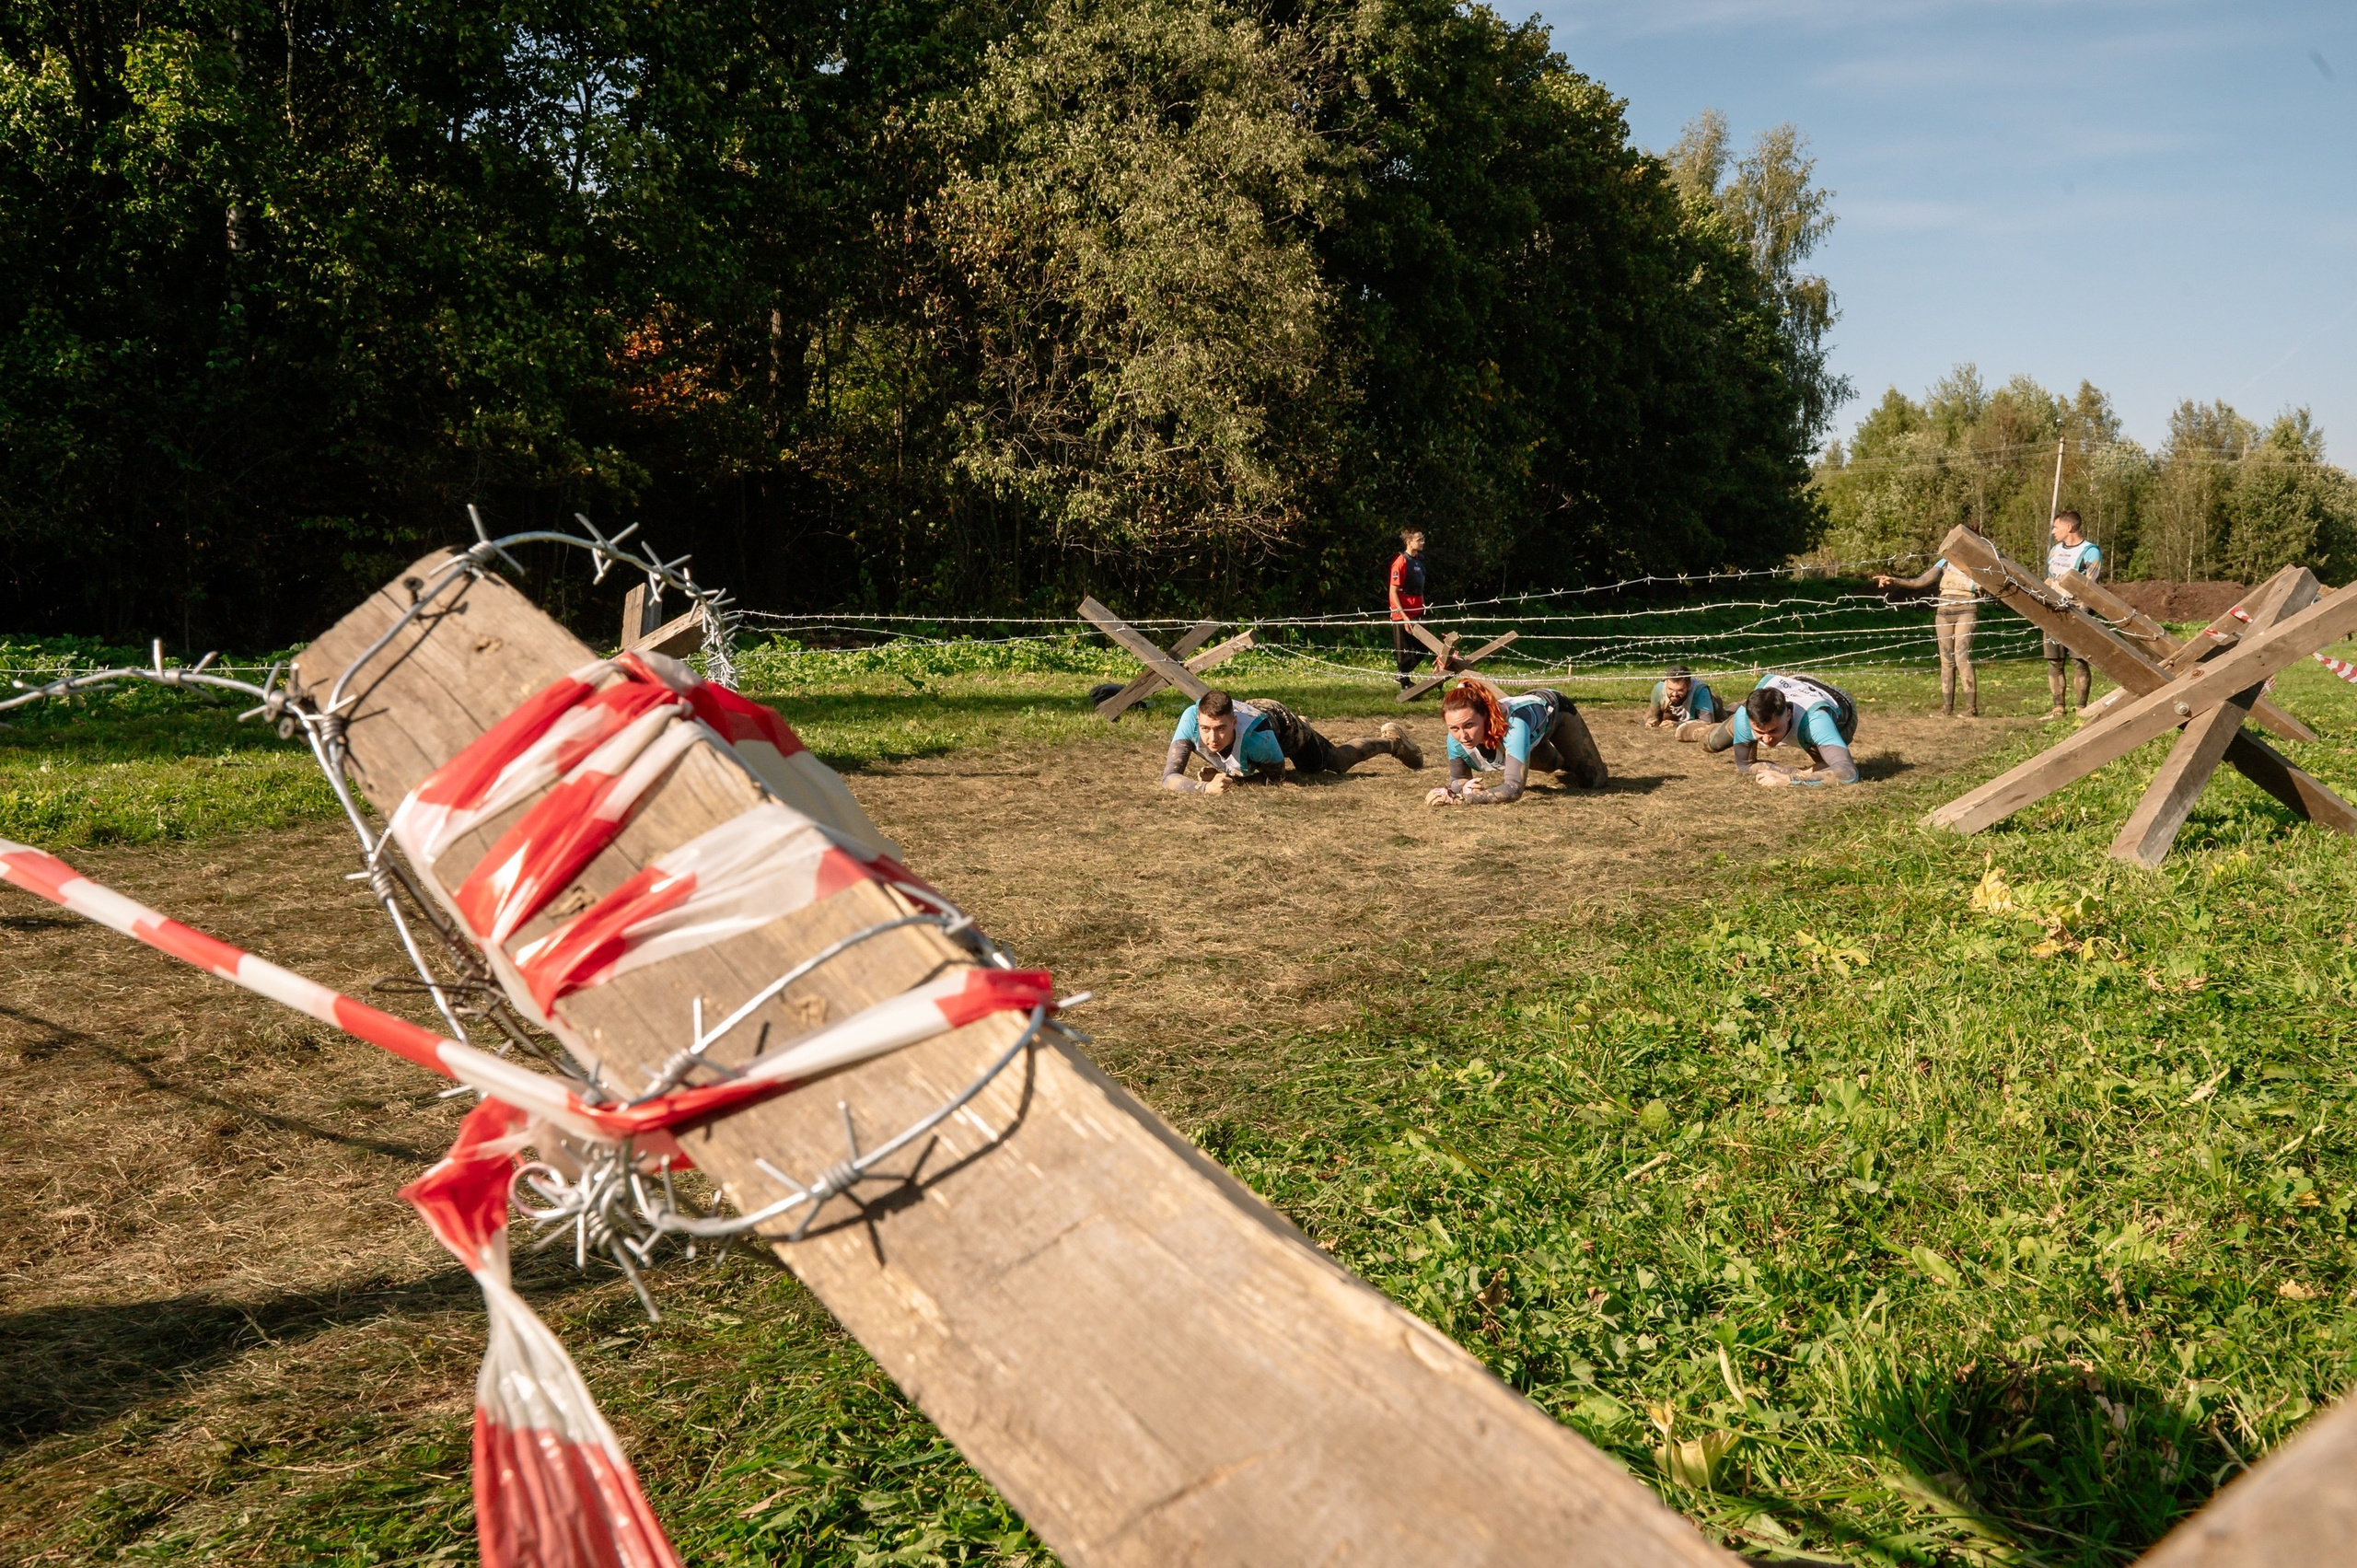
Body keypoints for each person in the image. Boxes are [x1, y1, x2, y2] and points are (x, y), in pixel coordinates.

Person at [1163, 690, 1422, 793]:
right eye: (1205, 728)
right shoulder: (1189, 719)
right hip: (1258, 719)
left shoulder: (1258, 738)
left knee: (1332, 763)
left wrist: (1234, 782)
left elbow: (1277, 778)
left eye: (1220, 729)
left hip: (1280, 725)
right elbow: (1169, 777)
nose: (1211, 737)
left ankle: (1392, 742)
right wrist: (1204, 789)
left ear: (1233, 723)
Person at [1424, 679, 1607, 805]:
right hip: (1529, 731)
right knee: (1551, 765)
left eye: (1469, 725)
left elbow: (1513, 790)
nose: (1463, 735)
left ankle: (1571, 755)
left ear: (1486, 717)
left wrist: (1462, 799)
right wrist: (1465, 788)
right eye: (1454, 728)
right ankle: (1563, 760)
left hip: (1557, 712)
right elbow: (1458, 779)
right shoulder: (1454, 739)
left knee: (1593, 780)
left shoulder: (1513, 727)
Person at [1874, 537, 1988, 717]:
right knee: (1946, 660)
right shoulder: (1945, 561)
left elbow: (1992, 581)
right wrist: (1894, 580)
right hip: (1943, 612)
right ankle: (1946, 708)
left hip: (1966, 609)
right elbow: (1921, 581)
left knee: (1962, 656)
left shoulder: (1976, 560)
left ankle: (1970, 708)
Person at [1701, 672, 1861, 786]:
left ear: (1788, 714)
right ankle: (1700, 726)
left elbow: (1848, 772)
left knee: (1825, 765)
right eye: (1760, 732)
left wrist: (1792, 778)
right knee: (1710, 742)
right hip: (1794, 683)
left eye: (1773, 730)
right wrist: (1790, 771)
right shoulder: (1745, 717)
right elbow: (1744, 766)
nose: (1767, 740)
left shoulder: (1816, 722)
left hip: (1838, 705)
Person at [2041, 510, 2102, 719]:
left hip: (2077, 611)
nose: (2052, 532)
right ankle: (2058, 708)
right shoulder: (2055, 551)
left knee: (2079, 661)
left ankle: (2081, 708)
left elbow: (2091, 586)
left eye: (2055, 527)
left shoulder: (2090, 551)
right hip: (2053, 611)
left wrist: (2082, 614)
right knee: (2054, 661)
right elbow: (2050, 579)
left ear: (2069, 527)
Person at [1388, 529, 1429, 689]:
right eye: (1419, 539)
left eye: (1423, 538)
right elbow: (1393, 591)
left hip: (1419, 611)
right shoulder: (1400, 562)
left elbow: (1420, 588)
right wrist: (1403, 616)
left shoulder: (1419, 561)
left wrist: (1423, 606)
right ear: (1409, 542)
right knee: (1404, 651)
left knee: (1423, 648)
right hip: (1403, 614)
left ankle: (1401, 675)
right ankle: (1405, 684)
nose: (1423, 542)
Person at [1645, 665, 1724, 731]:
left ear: (1689, 685)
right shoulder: (1659, 689)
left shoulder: (1700, 691)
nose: (1674, 694)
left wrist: (1678, 725)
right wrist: (1652, 722)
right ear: (1666, 682)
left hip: (1708, 709)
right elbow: (1654, 717)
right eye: (1670, 689)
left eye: (1680, 690)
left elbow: (1707, 722)